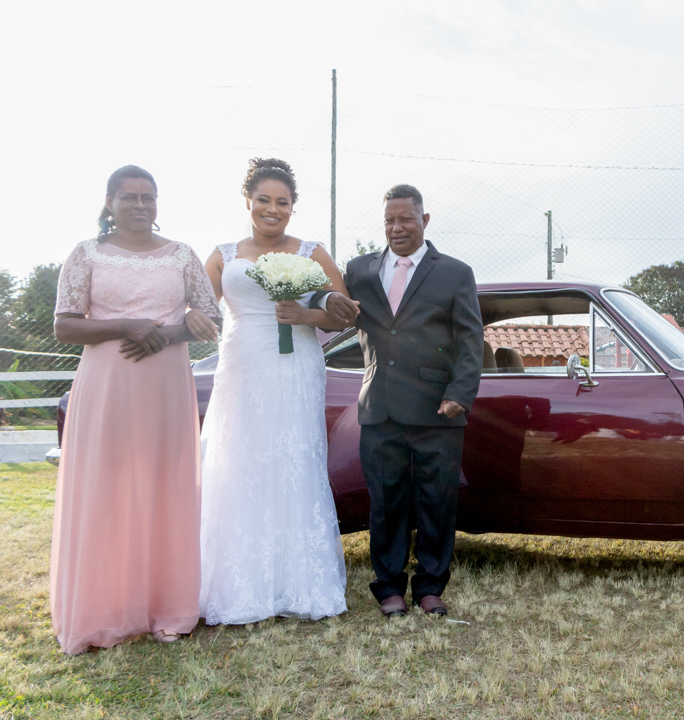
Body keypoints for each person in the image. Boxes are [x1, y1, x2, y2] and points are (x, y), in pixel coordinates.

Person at [51, 165, 222, 654]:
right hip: (107, 383)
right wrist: (126, 325)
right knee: (105, 484)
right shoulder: (86, 254)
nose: (141, 205)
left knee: (163, 482)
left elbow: (210, 316)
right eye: (130, 197)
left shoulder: (183, 255)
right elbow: (64, 325)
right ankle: (101, 609)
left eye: (149, 197)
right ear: (110, 202)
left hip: (166, 381)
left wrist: (169, 332)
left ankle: (165, 606)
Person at [198, 158, 350, 626]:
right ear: (248, 201)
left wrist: (307, 316)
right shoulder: (223, 254)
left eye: (282, 202)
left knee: (292, 460)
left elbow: (345, 312)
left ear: (293, 208)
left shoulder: (312, 251)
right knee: (241, 459)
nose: (272, 209)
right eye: (263, 199)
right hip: (242, 363)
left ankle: (299, 582)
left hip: (296, 367)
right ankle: (236, 582)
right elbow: (199, 310)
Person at [320, 184, 483, 617]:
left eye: (406, 219)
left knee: (436, 501)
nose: (397, 227)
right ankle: (389, 587)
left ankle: (430, 586)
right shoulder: (359, 270)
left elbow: (471, 340)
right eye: (390, 220)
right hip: (380, 408)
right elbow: (328, 300)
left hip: (438, 410)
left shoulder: (455, 272)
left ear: (424, 221)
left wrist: (460, 393)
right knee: (386, 502)